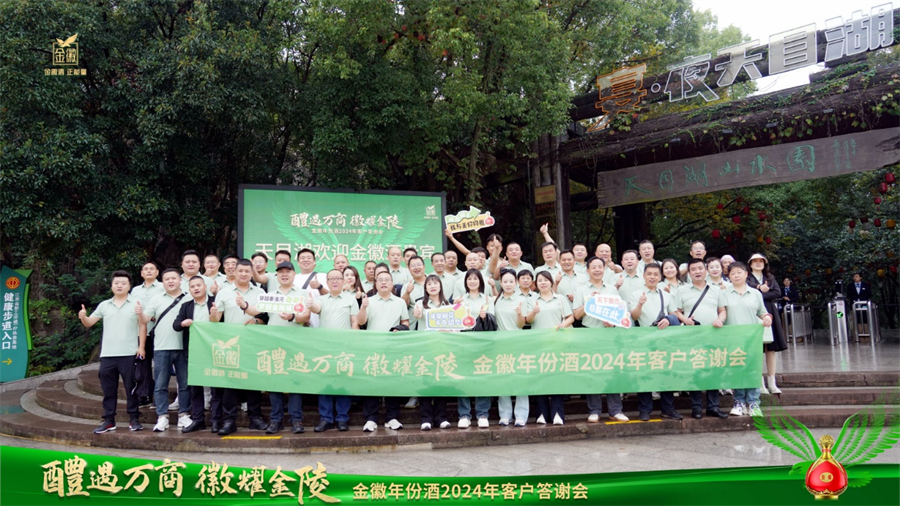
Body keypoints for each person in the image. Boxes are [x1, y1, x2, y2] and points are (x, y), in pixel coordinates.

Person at [79, 270, 146, 433]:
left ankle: (134, 419)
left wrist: (141, 347)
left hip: (129, 353)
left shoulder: (136, 303)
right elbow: (89, 323)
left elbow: (142, 325)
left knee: (131, 389)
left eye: (123, 283)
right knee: (108, 390)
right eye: (116, 283)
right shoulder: (104, 305)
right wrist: (83, 317)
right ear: (111, 286)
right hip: (108, 355)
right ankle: (109, 420)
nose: (119, 286)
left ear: (129, 286)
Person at [210, 259, 268, 436]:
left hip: (253, 343)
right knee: (231, 382)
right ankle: (229, 420)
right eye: (240, 271)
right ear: (234, 272)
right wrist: (213, 315)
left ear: (252, 273)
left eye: (247, 271)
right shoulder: (224, 292)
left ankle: (255, 417)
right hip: (231, 344)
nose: (243, 274)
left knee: (254, 381)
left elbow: (265, 318)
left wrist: (256, 320)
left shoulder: (260, 292)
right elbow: (216, 320)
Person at [572, 257, 628, 422]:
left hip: (609, 334)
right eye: (593, 267)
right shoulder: (581, 290)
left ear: (604, 269)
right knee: (592, 372)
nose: (597, 270)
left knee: (612, 371)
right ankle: (594, 410)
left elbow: (620, 313)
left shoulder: (611, 289)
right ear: (587, 270)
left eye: (600, 267)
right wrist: (589, 302)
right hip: (589, 333)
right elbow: (576, 315)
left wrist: (613, 322)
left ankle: (615, 410)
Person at [673, 259, 729, 420]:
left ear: (706, 270)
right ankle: (696, 407)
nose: (697, 272)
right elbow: (676, 311)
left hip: (713, 334)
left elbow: (722, 310)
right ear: (689, 273)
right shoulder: (682, 290)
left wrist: (720, 320)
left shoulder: (716, 290)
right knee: (695, 370)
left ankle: (713, 406)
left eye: (700, 268)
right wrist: (685, 320)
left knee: (713, 370)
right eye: (693, 269)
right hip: (692, 335)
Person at [629, 263, 682, 422]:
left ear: (660, 277)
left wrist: (668, 320)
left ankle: (668, 408)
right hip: (644, 340)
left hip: (664, 340)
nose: (652, 277)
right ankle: (645, 409)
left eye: (655, 274)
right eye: (649, 274)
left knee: (666, 373)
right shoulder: (635, 294)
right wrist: (640, 303)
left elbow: (674, 315)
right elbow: (634, 316)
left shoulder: (666, 295)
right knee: (644, 374)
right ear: (644, 276)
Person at [310, 268, 361, 432]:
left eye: (338, 278)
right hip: (325, 347)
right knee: (325, 382)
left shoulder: (351, 299)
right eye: (331, 278)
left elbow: (355, 322)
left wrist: (354, 343)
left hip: (345, 348)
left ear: (343, 281)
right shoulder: (321, 299)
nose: (334, 281)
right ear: (327, 282)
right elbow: (315, 308)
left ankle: (342, 418)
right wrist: (310, 305)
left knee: (343, 383)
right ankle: (326, 418)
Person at [140, 269, 190, 432]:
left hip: (184, 347)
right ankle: (162, 417)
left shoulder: (189, 297)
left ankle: (184, 415)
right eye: (167, 279)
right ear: (163, 282)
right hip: (162, 346)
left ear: (180, 280)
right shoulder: (156, 299)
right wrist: (139, 313)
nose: (170, 281)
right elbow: (145, 319)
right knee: (160, 385)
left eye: (173, 278)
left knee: (185, 384)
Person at [356, 270, 407, 432]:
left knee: (392, 383)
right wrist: (363, 307)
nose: (384, 282)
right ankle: (371, 418)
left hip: (393, 348)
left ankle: (392, 417)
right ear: (375, 284)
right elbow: (361, 322)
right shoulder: (369, 301)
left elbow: (405, 322)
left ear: (392, 284)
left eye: (387, 280)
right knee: (372, 384)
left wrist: (400, 329)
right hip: (373, 348)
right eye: (380, 280)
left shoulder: (400, 302)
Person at [263, 261, 309, 434]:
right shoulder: (269, 295)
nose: (284, 274)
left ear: (294, 274)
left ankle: (296, 419)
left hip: (296, 343)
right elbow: (257, 311)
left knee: (295, 381)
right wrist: (245, 307)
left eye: (287, 271)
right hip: (274, 343)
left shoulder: (302, 294)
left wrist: (292, 317)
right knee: (275, 381)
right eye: (280, 272)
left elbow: (306, 316)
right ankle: (276, 420)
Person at [724, 261, 772, 418]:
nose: (736, 275)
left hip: (752, 339)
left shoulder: (755, 293)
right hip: (732, 339)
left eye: (739, 272)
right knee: (737, 370)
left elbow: (762, 312)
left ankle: (753, 403)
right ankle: (738, 402)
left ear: (746, 274)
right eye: (733, 273)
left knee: (752, 370)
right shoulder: (724, 293)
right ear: (729, 277)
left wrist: (767, 317)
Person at [526, 271, 574, 425]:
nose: (543, 283)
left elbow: (570, 317)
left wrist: (563, 325)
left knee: (556, 378)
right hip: (538, 344)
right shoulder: (532, 299)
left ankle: (557, 413)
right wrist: (534, 312)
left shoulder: (559, 298)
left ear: (551, 282)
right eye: (540, 280)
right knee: (540, 378)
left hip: (557, 343)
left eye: (546, 280)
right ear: (536, 284)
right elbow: (527, 320)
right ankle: (541, 413)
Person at [173, 275, 218, 433]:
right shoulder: (186, 306)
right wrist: (183, 323)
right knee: (195, 388)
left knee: (216, 387)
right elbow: (176, 325)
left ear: (205, 286)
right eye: (192, 287)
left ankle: (216, 420)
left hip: (214, 350)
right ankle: (198, 419)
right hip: (194, 351)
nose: (196, 288)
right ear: (189, 290)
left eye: (199, 285)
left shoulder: (215, 302)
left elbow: (224, 323)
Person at [411, 274, 452, 430]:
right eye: (429, 284)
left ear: (440, 286)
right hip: (426, 348)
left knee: (442, 383)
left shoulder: (448, 305)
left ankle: (441, 418)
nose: (433, 286)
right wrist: (417, 314)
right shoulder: (420, 304)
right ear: (425, 288)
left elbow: (454, 327)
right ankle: (426, 418)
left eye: (435, 283)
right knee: (426, 383)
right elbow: (417, 315)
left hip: (443, 348)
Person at [456, 269, 494, 428]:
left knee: (482, 376)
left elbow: (493, 320)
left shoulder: (487, 298)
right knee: (463, 377)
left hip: (482, 343)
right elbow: (454, 322)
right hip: (464, 342)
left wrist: (485, 317)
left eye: (475, 279)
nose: (472, 281)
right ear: (465, 282)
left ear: (480, 281)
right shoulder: (460, 299)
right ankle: (464, 414)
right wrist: (456, 306)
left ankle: (482, 414)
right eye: (469, 279)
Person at [493, 268, 531, 426]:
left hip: (518, 343)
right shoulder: (496, 300)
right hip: (500, 344)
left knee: (520, 378)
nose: (508, 284)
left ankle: (521, 415)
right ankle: (505, 414)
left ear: (516, 283)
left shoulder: (521, 300)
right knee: (503, 379)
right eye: (505, 281)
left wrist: (520, 314)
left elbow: (522, 324)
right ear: (501, 283)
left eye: (511, 281)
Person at [747, 253, 787, 395]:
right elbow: (747, 291)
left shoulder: (770, 277)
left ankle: (772, 382)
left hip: (769, 311)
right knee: (757, 348)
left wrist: (760, 293)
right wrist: (760, 288)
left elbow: (777, 292)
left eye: (761, 261)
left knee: (771, 348)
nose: (758, 263)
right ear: (750, 264)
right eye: (755, 261)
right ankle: (759, 382)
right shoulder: (747, 277)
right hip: (752, 313)